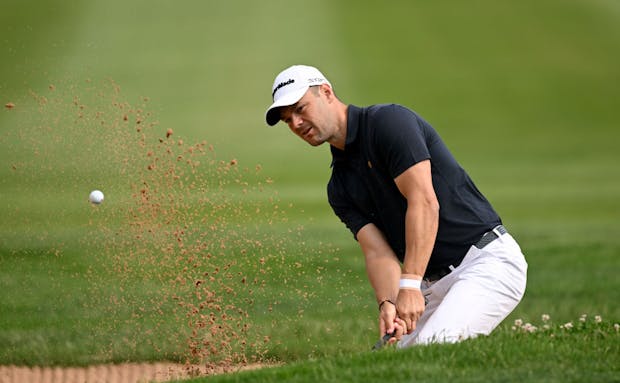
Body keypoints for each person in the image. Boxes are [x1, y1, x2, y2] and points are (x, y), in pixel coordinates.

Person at [264, 65, 527, 347]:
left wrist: (410, 284)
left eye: (300, 109)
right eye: (287, 119)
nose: (296, 123)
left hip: (485, 262)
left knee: (434, 349)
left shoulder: (388, 123)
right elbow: (378, 252)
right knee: (404, 362)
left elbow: (424, 202)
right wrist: (389, 302)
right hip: (432, 285)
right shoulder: (338, 187)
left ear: (326, 92)